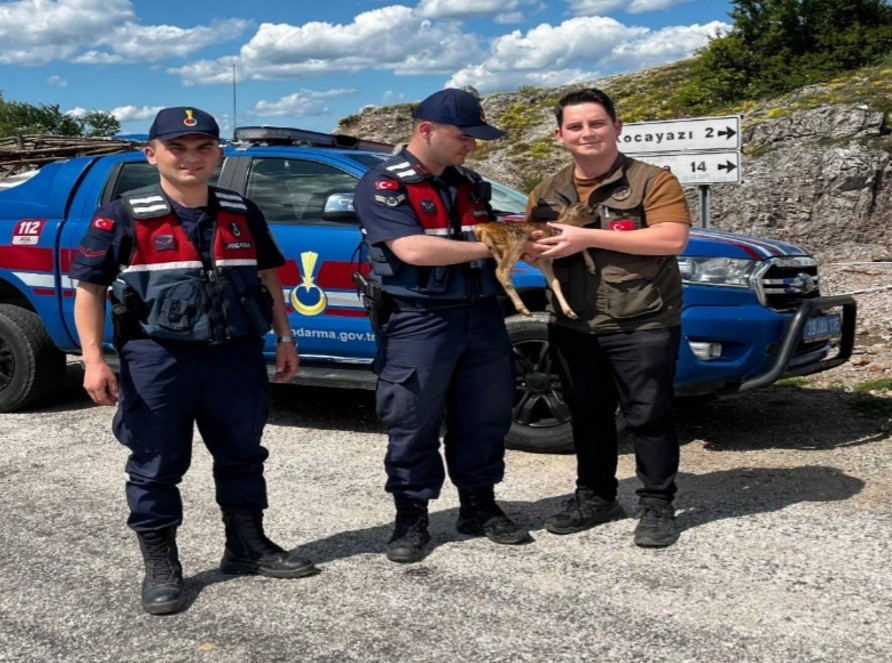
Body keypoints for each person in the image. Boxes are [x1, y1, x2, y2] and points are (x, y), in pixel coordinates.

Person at [71, 106, 317, 615]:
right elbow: (89, 289)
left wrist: (285, 336)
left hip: (236, 356)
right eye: (177, 148)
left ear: (218, 153)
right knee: (155, 464)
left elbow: (269, 275)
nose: (191, 157)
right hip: (159, 359)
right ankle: (162, 565)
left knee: (243, 455)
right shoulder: (122, 215)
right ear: (152, 154)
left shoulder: (241, 210)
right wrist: (94, 360)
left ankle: (246, 546)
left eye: (203, 147)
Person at [353, 88, 531, 564]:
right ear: (426, 130)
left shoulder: (470, 183)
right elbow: (413, 249)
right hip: (421, 320)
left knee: (485, 417)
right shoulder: (384, 184)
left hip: (482, 315)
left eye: (475, 137)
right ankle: (411, 517)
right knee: (413, 421)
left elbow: (497, 229)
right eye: (463, 136)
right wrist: (500, 247)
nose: (471, 145)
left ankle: (479, 506)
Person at [526, 88, 691, 547]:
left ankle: (656, 505)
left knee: (650, 417)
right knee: (587, 416)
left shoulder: (651, 181)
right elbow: (535, 245)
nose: (587, 133)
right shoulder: (547, 191)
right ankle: (596, 497)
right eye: (575, 126)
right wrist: (530, 249)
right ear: (560, 136)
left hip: (642, 319)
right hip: (573, 323)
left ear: (616, 127)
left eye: (597, 123)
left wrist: (587, 238)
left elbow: (671, 239)